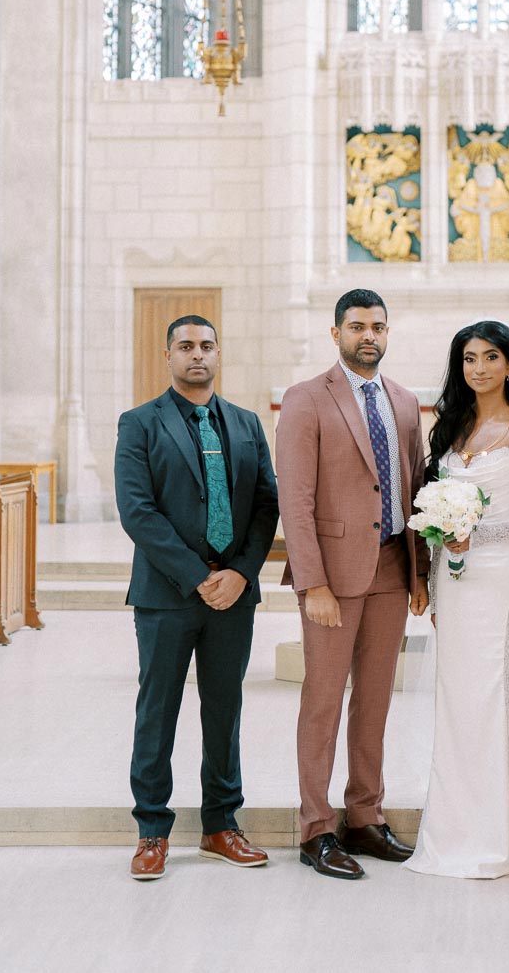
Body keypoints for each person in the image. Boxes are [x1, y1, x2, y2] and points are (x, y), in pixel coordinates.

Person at [115, 316, 278, 880]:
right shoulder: (139, 423)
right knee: (157, 711)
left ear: (219, 353)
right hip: (166, 593)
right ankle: (152, 832)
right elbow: (138, 511)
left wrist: (238, 573)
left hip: (234, 593)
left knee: (224, 710)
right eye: (186, 347)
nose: (197, 356)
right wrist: (196, 575)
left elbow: (265, 505)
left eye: (207, 346)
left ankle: (220, 825)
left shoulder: (247, 424)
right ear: (168, 356)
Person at [276, 289, 429, 879]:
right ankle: (316, 827)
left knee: (375, 700)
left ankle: (365, 815)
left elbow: (413, 490)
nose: (370, 335)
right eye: (358, 326)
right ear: (335, 332)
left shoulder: (406, 401)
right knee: (322, 701)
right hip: (333, 579)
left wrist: (419, 576)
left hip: (393, 567)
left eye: (379, 326)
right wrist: (311, 582)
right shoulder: (307, 399)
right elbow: (297, 498)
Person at [405, 320, 509, 879]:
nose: (479, 368)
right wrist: (432, 570)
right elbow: (431, 513)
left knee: (501, 688)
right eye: (469, 358)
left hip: (507, 574)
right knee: (458, 697)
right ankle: (456, 826)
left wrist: (481, 533)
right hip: (455, 577)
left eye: (491, 357)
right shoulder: (451, 430)